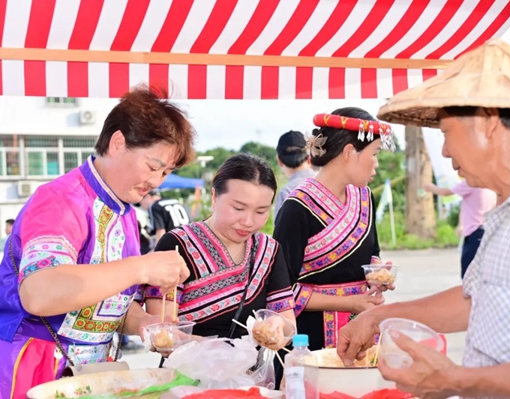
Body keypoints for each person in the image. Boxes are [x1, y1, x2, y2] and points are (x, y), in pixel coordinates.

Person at [337, 39, 510, 398]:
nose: (444, 150)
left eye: (446, 133)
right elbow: (476, 300)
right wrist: (377, 317)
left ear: (487, 121)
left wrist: (456, 379)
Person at [0, 86, 194, 397]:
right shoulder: (61, 200)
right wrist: (142, 268)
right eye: (153, 166)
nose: (156, 181)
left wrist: (146, 323)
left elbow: (105, 304)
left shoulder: (125, 214)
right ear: (118, 143)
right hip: (35, 367)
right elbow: (38, 293)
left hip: (92, 373)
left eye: (165, 173)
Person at [273, 108, 397, 353]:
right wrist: (350, 303)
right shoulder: (297, 208)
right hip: (312, 337)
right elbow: (282, 290)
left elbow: (372, 251)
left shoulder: (364, 197)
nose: (377, 163)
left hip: (361, 325)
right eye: (374, 153)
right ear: (349, 153)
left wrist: (376, 272)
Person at [144, 153, 295, 341]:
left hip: (252, 369)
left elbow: (288, 322)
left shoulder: (269, 251)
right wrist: (213, 349)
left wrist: (278, 326)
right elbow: (163, 332)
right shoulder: (176, 244)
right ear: (215, 197)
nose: (248, 221)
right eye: (238, 208)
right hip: (188, 367)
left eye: (261, 211)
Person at [423, 181, 496, 278]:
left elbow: (446, 192)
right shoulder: (491, 184)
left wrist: (430, 187)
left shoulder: (472, 182)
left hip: (475, 232)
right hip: (488, 230)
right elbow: (467, 206)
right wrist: (460, 225)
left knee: (468, 274)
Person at [273, 130, 315, 218]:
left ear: (279, 161)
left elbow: (281, 231)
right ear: (309, 157)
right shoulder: (326, 183)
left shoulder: (286, 192)